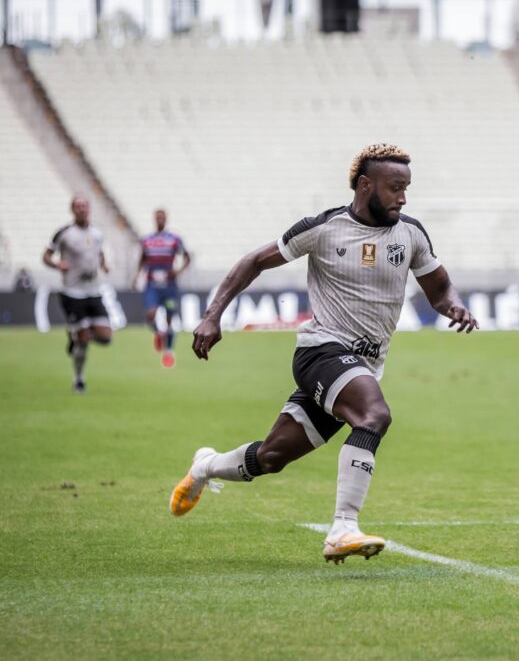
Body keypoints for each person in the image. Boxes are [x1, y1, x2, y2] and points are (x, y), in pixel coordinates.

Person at [169, 144, 478, 563]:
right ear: (364, 185)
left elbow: (440, 288)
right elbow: (254, 261)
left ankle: (205, 466)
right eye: (394, 188)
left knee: (272, 456)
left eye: (406, 188)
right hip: (321, 353)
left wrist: (454, 306)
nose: (403, 198)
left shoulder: (411, 234)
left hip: (361, 367)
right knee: (374, 416)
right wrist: (211, 316)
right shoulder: (324, 228)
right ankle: (343, 527)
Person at [42, 195, 113, 393]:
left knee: (106, 337)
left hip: (94, 290)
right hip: (72, 293)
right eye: (78, 206)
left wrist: (104, 263)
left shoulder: (97, 232)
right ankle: (79, 379)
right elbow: (46, 255)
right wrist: (57, 264)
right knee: (83, 342)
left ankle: (76, 335)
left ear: (89, 209)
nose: (82, 209)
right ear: (72, 210)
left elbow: (99, 252)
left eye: (84, 206)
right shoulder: (64, 233)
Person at [135, 208, 191, 368]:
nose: (160, 219)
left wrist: (179, 270)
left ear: (166, 219)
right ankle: (158, 332)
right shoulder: (147, 240)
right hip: (152, 285)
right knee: (150, 314)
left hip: (169, 286)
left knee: (169, 320)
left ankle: (168, 352)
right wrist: (137, 275)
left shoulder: (174, 239)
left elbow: (187, 257)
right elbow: (143, 259)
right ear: (154, 219)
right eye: (157, 217)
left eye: (162, 217)